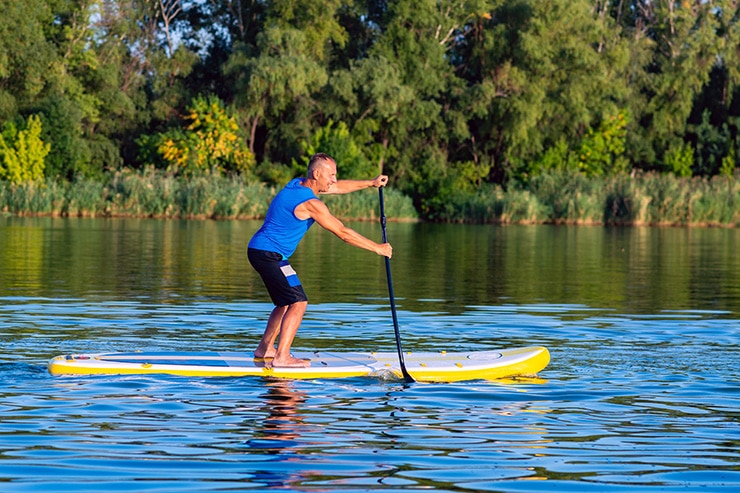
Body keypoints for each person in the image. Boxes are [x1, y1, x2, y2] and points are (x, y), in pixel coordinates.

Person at [247, 153, 392, 368]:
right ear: (316, 174)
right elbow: (342, 232)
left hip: (262, 251)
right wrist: (377, 248)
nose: (334, 179)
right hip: (269, 255)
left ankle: (265, 348)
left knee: (286, 301)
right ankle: (282, 357)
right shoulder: (310, 203)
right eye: (330, 174)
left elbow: (337, 187)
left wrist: (370, 183)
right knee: (298, 301)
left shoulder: (297, 184)